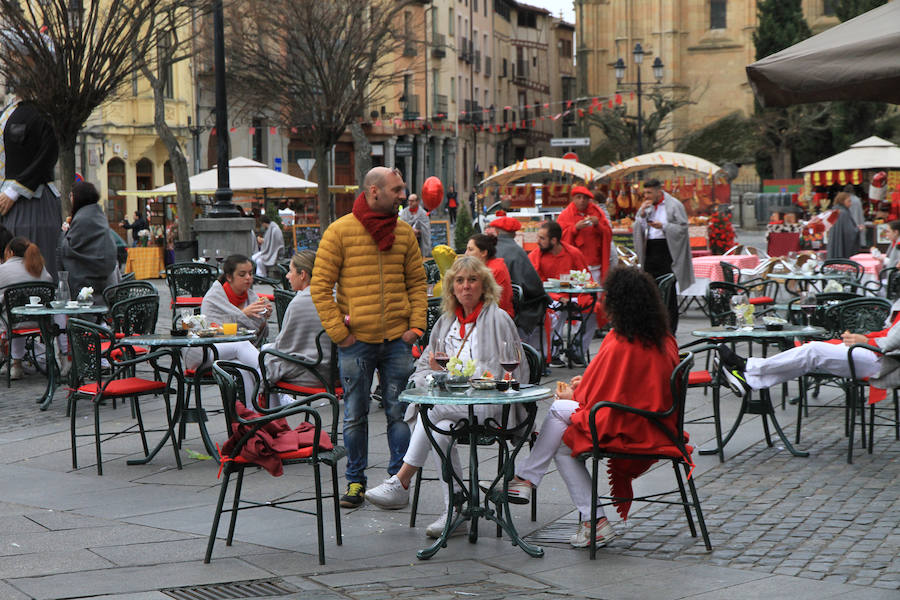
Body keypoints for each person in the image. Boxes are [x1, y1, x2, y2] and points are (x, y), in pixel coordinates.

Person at [504, 267, 681, 548]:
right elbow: (620, 384)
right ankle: (593, 521)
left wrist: (574, 394)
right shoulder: (660, 336)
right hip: (655, 421)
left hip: (630, 424)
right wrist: (584, 383)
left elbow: (601, 395)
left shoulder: (621, 341)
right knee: (563, 446)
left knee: (558, 412)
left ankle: (526, 477)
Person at [364, 256, 527, 538]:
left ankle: (401, 482)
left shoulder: (499, 319)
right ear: (451, 287)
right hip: (454, 408)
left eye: (472, 280)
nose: (466, 286)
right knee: (440, 430)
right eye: (459, 281)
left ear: (484, 285)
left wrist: (466, 383)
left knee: (430, 413)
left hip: (491, 405)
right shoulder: (446, 322)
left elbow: (513, 372)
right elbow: (425, 365)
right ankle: (456, 511)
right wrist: (430, 379)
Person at [311, 166, 427, 508]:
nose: (403, 195)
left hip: (397, 340)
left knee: (400, 413)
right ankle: (355, 483)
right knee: (355, 414)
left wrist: (416, 327)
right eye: (397, 189)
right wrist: (340, 333)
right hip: (356, 341)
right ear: (374, 192)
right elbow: (320, 288)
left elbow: (418, 283)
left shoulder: (404, 233)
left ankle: (397, 482)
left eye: (403, 188)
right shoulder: (340, 232)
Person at [716, 312, 900, 400]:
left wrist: (866, 340)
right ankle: (749, 380)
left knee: (813, 351)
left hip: (885, 363)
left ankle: (748, 366)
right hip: (878, 355)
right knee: (808, 357)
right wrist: (865, 338)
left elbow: (892, 342)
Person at [185, 254, 270, 404]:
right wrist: (243, 314)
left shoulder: (251, 298)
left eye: (250, 273)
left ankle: (253, 411)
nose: (248, 278)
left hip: (232, 352)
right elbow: (213, 331)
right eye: (242, 274)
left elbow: (255, 336)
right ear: (229, 277)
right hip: (204, 351)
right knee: (241, 345)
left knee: (243, 367)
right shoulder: (214, 297)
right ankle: (269, 380)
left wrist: (263, 318)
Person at [0, 90, 62, 280]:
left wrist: (15, 190)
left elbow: (47, 154)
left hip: (31, 202)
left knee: (32, 262)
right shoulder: (9, 111)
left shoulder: (44, 113)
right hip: (9, 203)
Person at [261, 250, 331, 406]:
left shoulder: (299, 303)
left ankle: (269, 416)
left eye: (291, 271)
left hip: (313, 374)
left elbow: (283, 346)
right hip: (338, 372)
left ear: (303, 274)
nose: (287, 276)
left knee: (264, 357)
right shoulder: (334, 294)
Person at [528, 220, 596, 366]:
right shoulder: (536, 256)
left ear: (554, 240)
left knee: (596, 310)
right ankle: (553, 352)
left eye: (542, 238)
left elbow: (586, 279)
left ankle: (578, 350)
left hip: (575, 296)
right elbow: (537, 285)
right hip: (550, 298)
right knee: (555, 312)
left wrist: (583, 296)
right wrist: (558, 297)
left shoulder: (573, 253)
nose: (538, 241)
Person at [633, 179, 694, 332]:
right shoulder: (646, 207)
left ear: (658, 191)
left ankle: (670, 330)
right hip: (649, 250)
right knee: (650, 290)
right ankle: (653, 328)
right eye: (645, 192)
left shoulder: (674, 205)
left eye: (649, 192)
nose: (646, 196)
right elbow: (637, 226)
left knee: (668, 291)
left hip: (667, 250)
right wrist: (641, 215)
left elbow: (682, 228)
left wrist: (664, 226)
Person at [488, 215, 548, 343]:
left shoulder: (490, 249)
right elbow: (534, 286)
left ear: (497, 232)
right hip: (514, 308)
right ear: (515, 234)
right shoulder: (517, 251)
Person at [0, 236, 52, 380]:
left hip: (12, 324)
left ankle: (14, 363)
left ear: (10, 252)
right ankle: (16, 363)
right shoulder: (41, 269)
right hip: (41, 322)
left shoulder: (2, 270)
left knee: (9, 313)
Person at [58, 182, 119, 299]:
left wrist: (64, 235)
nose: (70, 198)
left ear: (78, 197)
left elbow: (70, 248)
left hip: (88, 283)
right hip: (105, 281)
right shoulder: (97, 214)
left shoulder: (83, 218)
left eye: (71, 195)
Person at [557, 185, 614, 284]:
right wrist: (574, 229)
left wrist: (598, 225)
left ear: (589, 200)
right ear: (573, 198)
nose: (582, 200)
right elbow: (559, 238)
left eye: (585, 198)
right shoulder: (565, 215)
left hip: (594, 263)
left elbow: (608, 234)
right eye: (578, 197)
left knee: (595, 293)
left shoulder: (597, 212)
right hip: (573, 265)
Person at [465, 233, 513, 317]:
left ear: (483, 253)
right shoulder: (482, 267)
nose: (466, 254)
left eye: (470, 249)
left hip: (497, 317)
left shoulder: (495, 270)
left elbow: (481, 300)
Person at [827, 192, 861, 260]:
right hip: (843, 249)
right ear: (842, 201)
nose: (850, 203)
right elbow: (849, 232)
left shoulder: (834, 211)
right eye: (849, 201)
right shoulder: (844, 213)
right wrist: (858, 229)